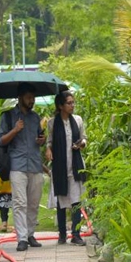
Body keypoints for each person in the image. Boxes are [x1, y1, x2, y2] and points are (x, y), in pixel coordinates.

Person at [0, 82, 46, 251]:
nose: (32, 101)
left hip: (35, 164)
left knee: (33, 202)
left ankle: (31, 234)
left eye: (33, 98)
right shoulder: (8, 116)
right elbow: (1, 140)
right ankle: (22, 238)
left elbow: (39, 137)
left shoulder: (35, 117)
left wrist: (42, 140)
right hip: (17, 165)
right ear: (20, 97)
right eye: (29, 97)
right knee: (19, 202)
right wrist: (15, 130)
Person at [45, 91, 87, 246]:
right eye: (69, 103)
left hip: (75, 164)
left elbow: (84, 138)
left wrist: (81, 144)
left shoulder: (78, 120)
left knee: (77, 201)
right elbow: (49, 142)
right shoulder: (52, 123)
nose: (72, 105)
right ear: (60, 105)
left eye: (73, 102)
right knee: (61, 199)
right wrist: (48, 149)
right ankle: (62, 234)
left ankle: (76, 234)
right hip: (60, 166)